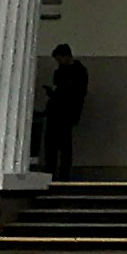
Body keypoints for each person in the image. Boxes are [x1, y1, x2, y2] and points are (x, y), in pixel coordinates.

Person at [36, 43, 88, 183]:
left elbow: (73, 94)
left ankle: (56, 171)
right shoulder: (72, 71)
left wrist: (54, 94)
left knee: (60, 144)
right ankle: (56, 171)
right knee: (57, 144)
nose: (58, 62)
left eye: (59, 59)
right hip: (63, 111)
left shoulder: (74, 72)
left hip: (64, 111)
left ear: (65, 57)